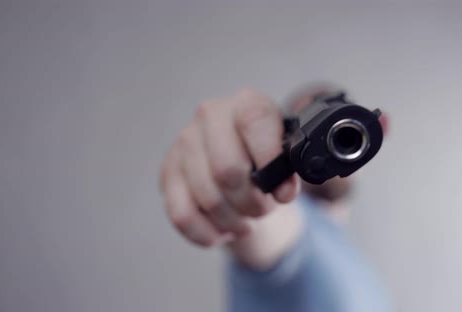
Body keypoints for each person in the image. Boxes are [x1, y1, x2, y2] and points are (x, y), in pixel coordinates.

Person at [159, 84, 391, 312]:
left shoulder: (345, 245)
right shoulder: (291, 218)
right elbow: (264, 223)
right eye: (315, 119)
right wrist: (233, 167)